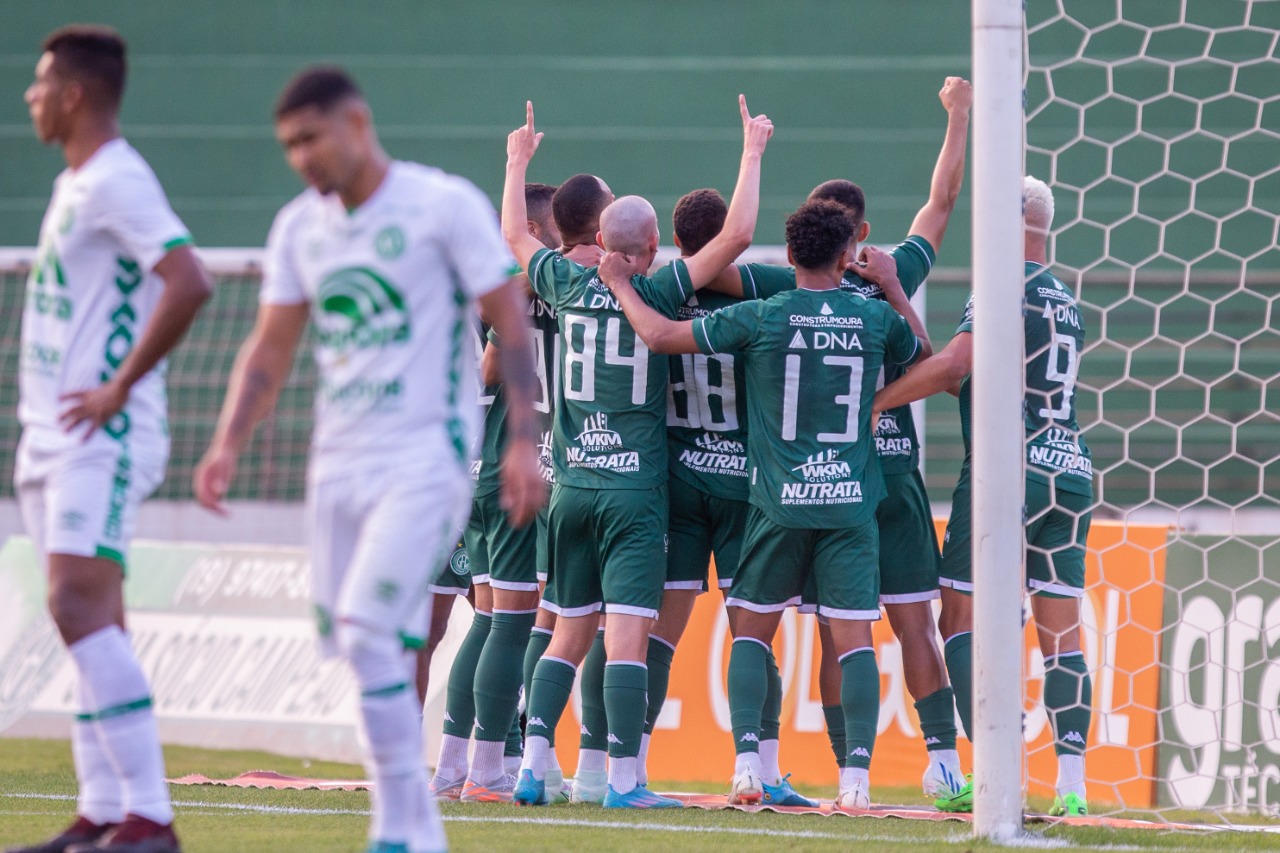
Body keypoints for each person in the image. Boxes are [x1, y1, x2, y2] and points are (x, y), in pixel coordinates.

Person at [193, 66, 545, 853]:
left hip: (428, 454)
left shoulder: (441, 204)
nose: (302, 157)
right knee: (358, 641)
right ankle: (418, 827)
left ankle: (397, 828)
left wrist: (522, 439)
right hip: (338, 465)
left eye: (311, 137)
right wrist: (225, 443)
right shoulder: (300, 228)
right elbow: (270, 349)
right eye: (288, 145)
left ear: (356, 122)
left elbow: (510, 324)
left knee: (368, 625)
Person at [600, 199, 931, 811]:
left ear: (787, 257)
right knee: (854, 639)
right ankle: (855, 782)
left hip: (777, 502)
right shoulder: (872, 318)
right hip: (851, 502)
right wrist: (888, 287)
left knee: (750, 632)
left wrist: (621, 284)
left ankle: (746, 768)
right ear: (843, 255)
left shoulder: (764, 314)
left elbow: (658, 335)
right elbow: (925, 355)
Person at [500, 96, 772, 808]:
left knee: (563, 629)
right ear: (650, 247)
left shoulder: (562, 282)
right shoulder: (657, 287)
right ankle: (623, 779)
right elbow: (738, 234)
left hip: (571, 485)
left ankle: (532, 765)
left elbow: (513, 235)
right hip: (634, 491)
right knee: (625, 636)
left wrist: (516, 161)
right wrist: (752, 150)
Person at [11, 25, 213, 853]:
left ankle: (150, 819)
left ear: (75, 94)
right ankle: (101, 815)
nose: (29, 95)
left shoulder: (117, 180)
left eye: (39, 81)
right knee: (86, 614)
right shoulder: (78, 183)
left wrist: (118, 385)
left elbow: (188, 278)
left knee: (76, 602)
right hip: (54, 436)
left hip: (104, 432)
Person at [871, 175, 1094, 817]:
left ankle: (999, 771)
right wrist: (894, 289)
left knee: (959, 615)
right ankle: (1073, 788)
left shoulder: (1003, 285)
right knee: (1062, 635)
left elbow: (953, 367)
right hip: (1069, 469)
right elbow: (966, 375)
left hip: (1007, 472)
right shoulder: (1064, 299)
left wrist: (875, 404)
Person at [429, 182, 562, 803]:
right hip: (515, 467)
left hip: (476, 467)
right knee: (509, 623)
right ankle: (485, 772)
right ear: (542, 231)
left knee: (485, 622)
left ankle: (455, 768)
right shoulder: (524, 286)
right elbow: (487, 369)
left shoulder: (476, 287)